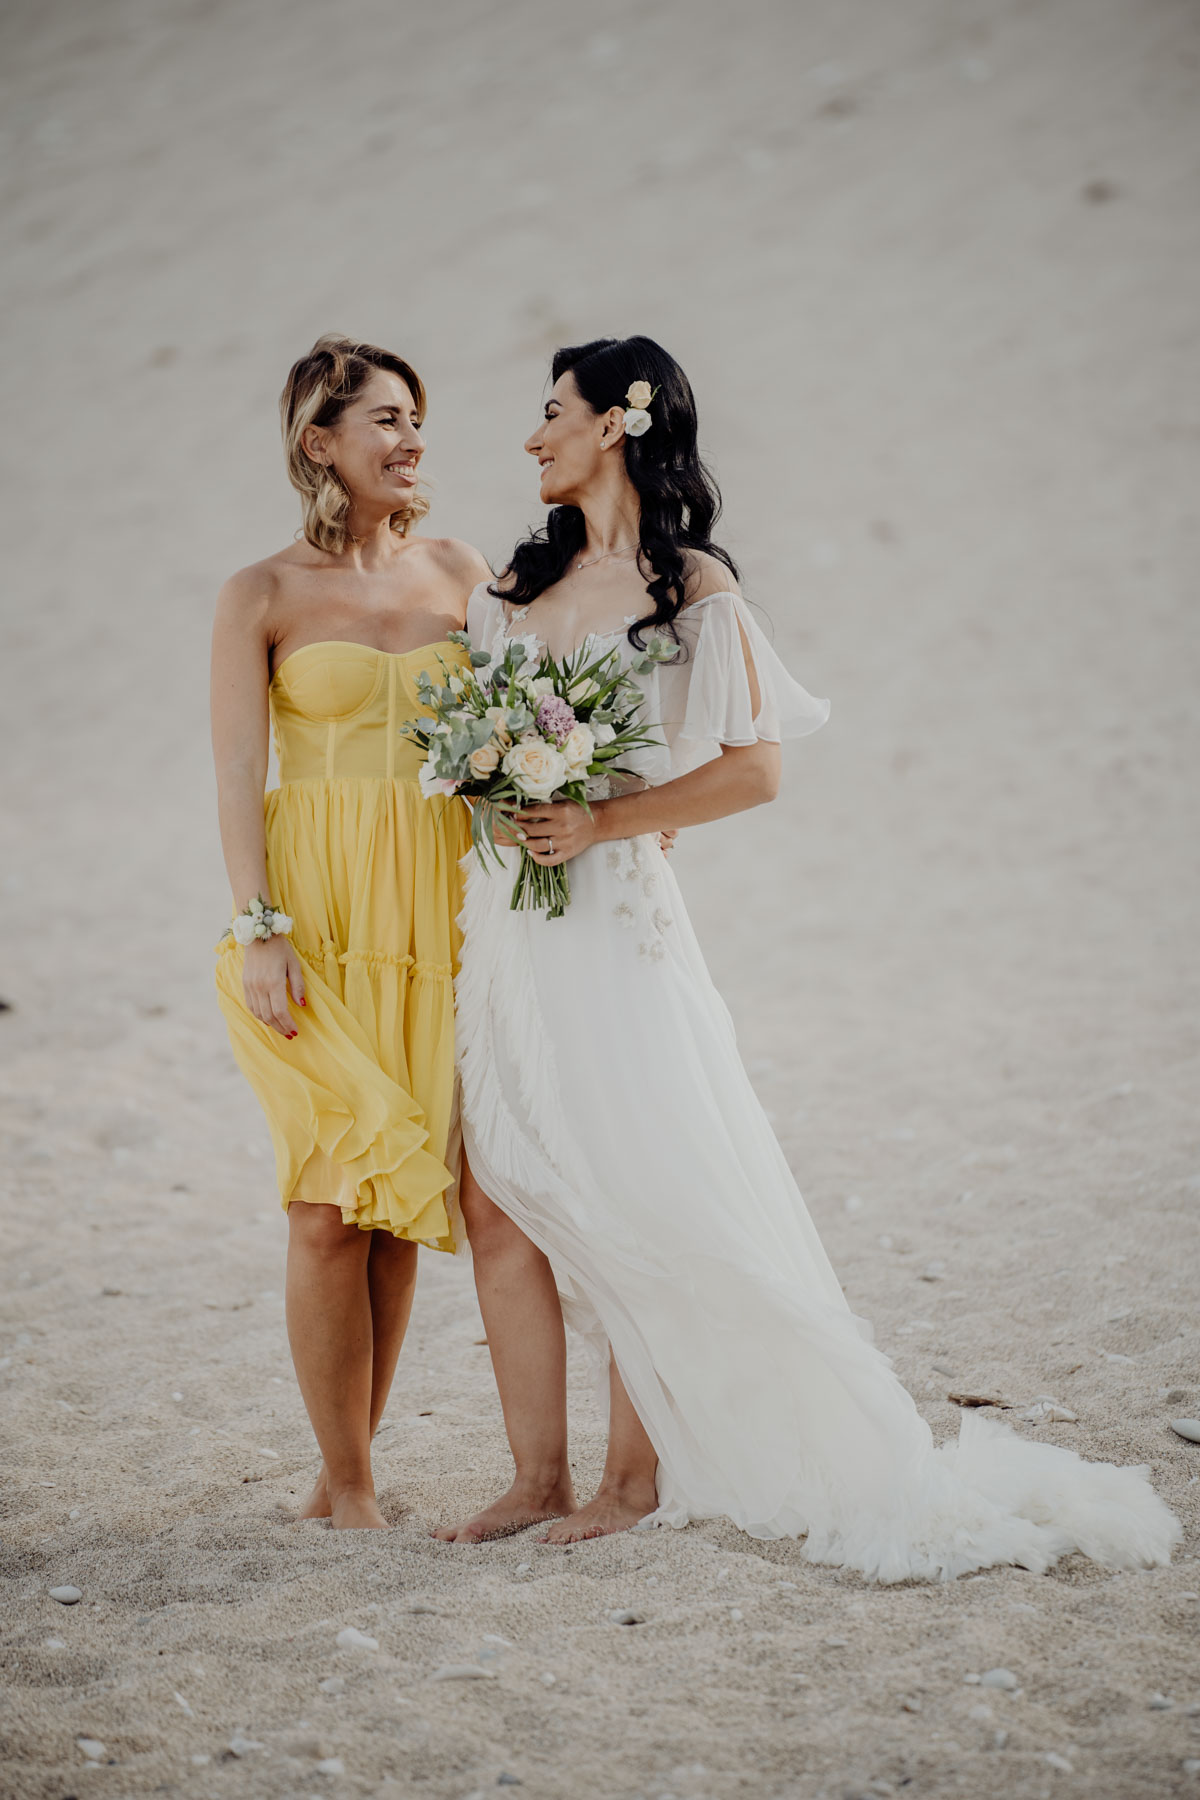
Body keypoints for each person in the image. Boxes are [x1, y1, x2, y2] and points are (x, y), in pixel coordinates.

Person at [434, 334, 1179, 1580]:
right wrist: (497, 784)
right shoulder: (513, 582)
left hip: (613, 918)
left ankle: (630, 1479)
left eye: (550, 412)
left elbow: (757, 768)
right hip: (507, 916)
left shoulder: (691, 586)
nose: (530, 437)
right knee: (497, 1192)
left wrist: (606, 817)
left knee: (634, 1184)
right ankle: (532, 1475)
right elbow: (483, 733)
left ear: (617, 423)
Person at [212, 335, 491, 1530]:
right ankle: (356, 1484)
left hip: (440, 906)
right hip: (314, 915)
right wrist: (258, 926)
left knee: (397, 1201)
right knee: (329, 1205)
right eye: (382, 418)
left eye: (415, 415)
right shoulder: (260, 594)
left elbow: (515, 731)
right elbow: (236, 775)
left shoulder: (460, 570)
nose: (409, 437)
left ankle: (342, 1476)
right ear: (318, 441)